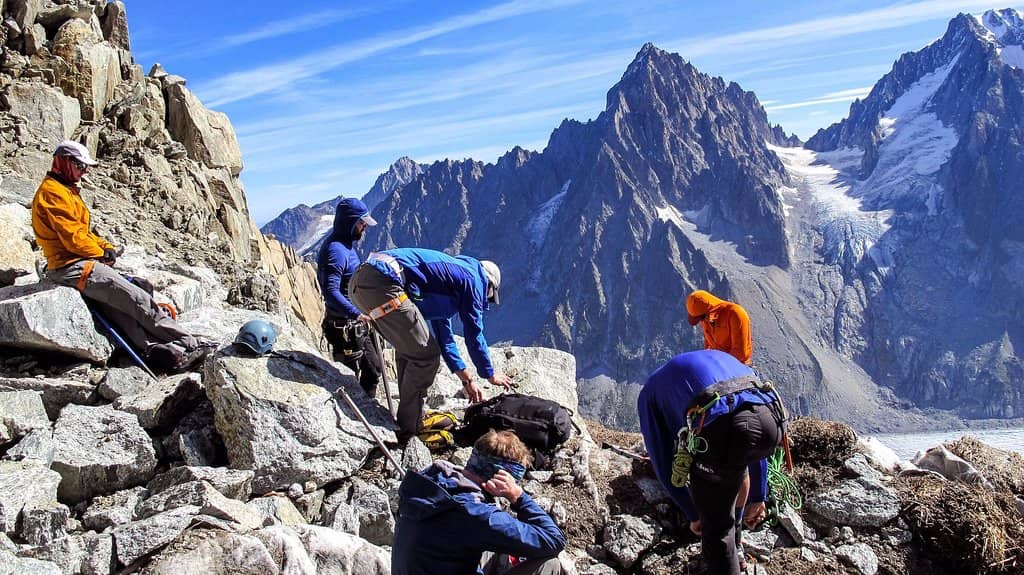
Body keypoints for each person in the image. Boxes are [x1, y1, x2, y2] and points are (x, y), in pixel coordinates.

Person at [31, 140, 210, 373]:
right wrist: (101, 253)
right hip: (72, 266)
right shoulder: (53, 194)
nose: (83, 172)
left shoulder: (65, 190)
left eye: (85, 167)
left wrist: (104, 247)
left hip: (78, 263)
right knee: (137, 299)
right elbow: (73, 239)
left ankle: (162, 352)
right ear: (63, 162)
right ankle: (190, 343)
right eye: (79, 165)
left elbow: (83, 233)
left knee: (122, 308)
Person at [637, 350, 784, 575]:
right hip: (771, 421)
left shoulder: (649, 394)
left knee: (716, 530)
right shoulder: (720, 360)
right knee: (735, 463)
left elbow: (662, 459)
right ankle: (737, 542)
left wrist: (694, 514)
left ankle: (728, 551)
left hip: (725, 428)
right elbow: (749, 427)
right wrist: (758, 495)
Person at [392, 430, 565, 575]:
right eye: (514, 479)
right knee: (549, 564)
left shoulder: (431, 481)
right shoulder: (475, 513)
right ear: (500, 476)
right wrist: (519, 497)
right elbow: (554, 540)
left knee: (497, 545)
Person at [317, 198, 382, 395]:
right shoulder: (335, 251)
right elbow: (330, 291)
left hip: (353, 324)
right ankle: (361, 409)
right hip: (346, 327)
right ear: (351, 222)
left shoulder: (345, 245)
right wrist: (356, 314)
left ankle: (363, 404)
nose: (365, 228)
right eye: (362, 223)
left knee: (373, 367)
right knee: (359, 372)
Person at [685, 290, 753, 365]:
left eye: (702, 317)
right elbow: (708, 344)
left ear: (709, 309)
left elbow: (740, 353)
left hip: (737, 368)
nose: (702, 321)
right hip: (718, 366)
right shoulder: (705, 318)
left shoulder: (735, 314)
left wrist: (716, 366)